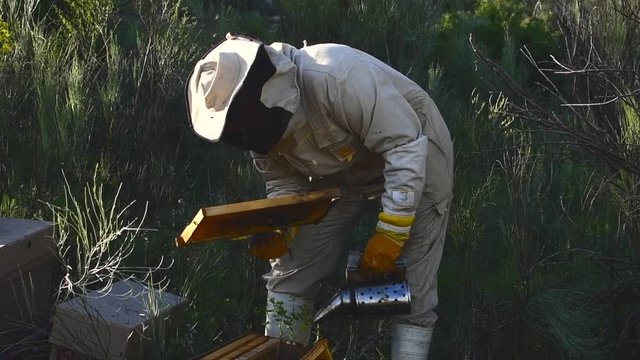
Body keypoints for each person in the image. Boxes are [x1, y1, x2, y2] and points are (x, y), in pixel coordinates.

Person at [185, 33, 453, 359]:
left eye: (240, 117)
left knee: (415, 286)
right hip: (343, 175)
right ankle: (283, 349)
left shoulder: (336, 76)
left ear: (260, 88)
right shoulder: (254, 130)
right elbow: (285, 184)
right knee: (290, 268)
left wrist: (393, 231)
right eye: (232, 125)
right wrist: (283, 226)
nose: (240, 129)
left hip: (415, 146)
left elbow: (404, 145)